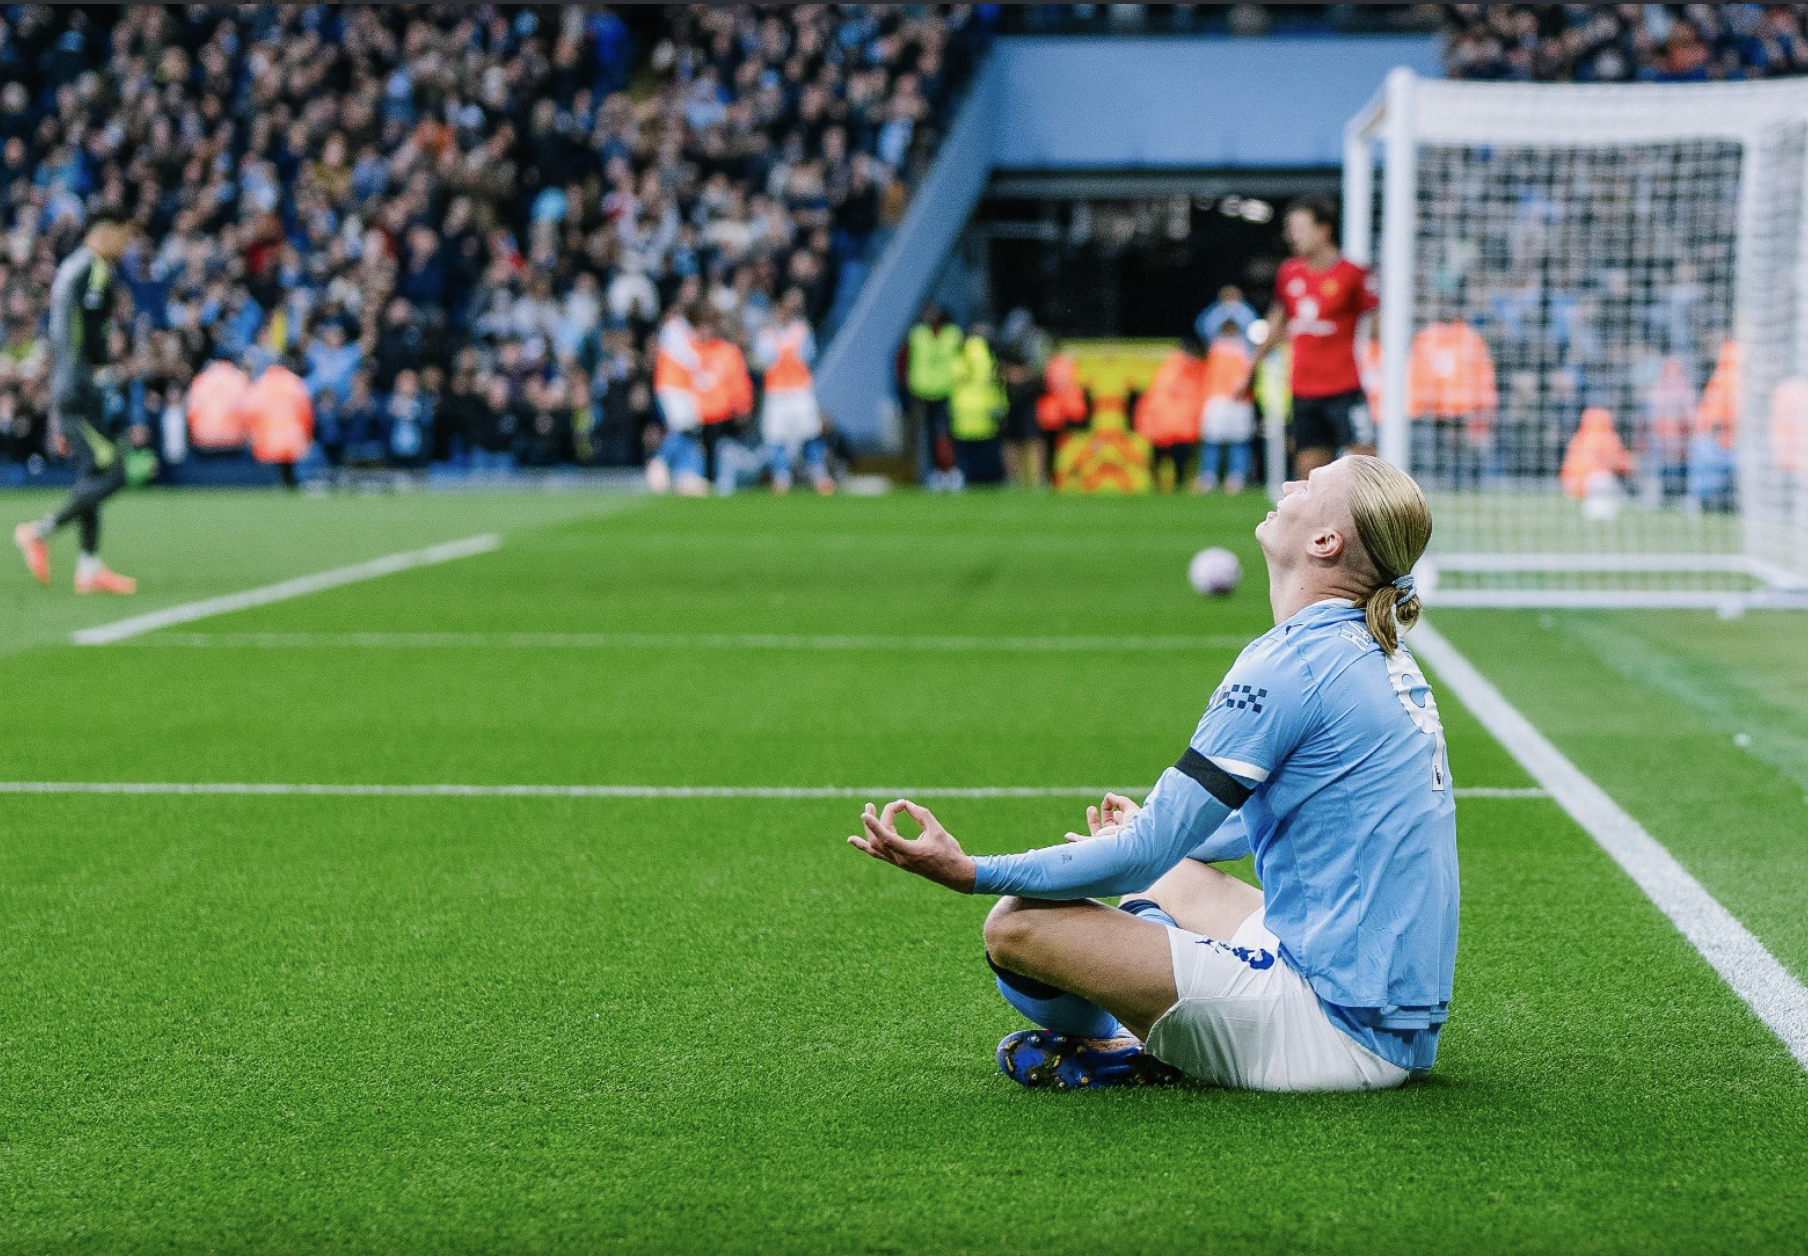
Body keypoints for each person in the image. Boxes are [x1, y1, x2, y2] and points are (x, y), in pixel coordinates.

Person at [846, 455, 1456, 1093]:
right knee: (1173, 872)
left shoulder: (1290, 664)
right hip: (1392, 1025)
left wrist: (969, 870)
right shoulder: (1375, 650)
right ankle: (1157, 1013)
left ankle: (1129, 1042)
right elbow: (1292, 825)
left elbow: (1141, 856)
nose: (1287, 486)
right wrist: (1151, 845)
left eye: (1310, 484)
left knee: (1015, 925)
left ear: (1325, 542)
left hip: (1330, 1033)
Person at [14, 217, 141, 594]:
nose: (125, 246)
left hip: (68, 384)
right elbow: (89, 332)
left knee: (91, 475)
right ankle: (39, 532)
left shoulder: (71, 267)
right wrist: (105, 366)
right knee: (114, 472)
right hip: (79, 388)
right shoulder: (95, 269)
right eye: (123, 236)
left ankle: (88, 568)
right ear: (104, 231)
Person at [1248, 197, 1378, 477]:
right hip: (1304, 389)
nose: (1291, 235)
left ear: (1323, 229)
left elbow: (1377, 320)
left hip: (1345, 388)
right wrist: (1250, 367)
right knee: (1308, 473)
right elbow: (1277, 321)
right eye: (1289, 228)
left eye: (1299, 227)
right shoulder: (1289, 273)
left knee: (1365, 467)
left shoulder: (1353, 274)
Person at [755, 289, 832, 495]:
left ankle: (820, 474)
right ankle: (781, 477)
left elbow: (807, 356)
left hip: (798, 390)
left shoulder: (801, 329)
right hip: (776, 392)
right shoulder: (766, 333)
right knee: (775, 435)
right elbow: (763, 359)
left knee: (810, 432)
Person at [1133, 336, 1206, 493]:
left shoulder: (1168, 366)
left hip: (1164, 422)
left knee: (1162, 456)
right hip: (1177, 423)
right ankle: (1175, 483)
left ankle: (1161, 485)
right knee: (1177, 456)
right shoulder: (1186, 368)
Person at [907, 305, 962, 490]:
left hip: (947, 391)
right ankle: (932, 473)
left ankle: (951, 471)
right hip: (922, 392)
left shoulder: (953, 334)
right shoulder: (918, 335)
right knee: (926, 435)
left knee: (947, 433)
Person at [1197, 317, 1255, 493]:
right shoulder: (1215, 347)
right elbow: (1203, 324)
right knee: (1211, 440)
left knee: (1239, 441)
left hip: (1240, 401)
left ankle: (1236, 477)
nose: (1230, 331)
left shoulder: (1247, 348)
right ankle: (1208, 476)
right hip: (1217, 398)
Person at [949, 323, 1005, 487]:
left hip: (964, 410)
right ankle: (988, 481)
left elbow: (955, 376)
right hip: (986, 409)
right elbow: (996, 382)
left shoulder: (961, 352)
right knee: (986, 454)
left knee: (967, 454)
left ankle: (969, 480)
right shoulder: (989, 354)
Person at [1033, 342, 1089, 490]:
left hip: (1055, 412)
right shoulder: (1070, 363)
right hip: (1069, 411)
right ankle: (1066, 477)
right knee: (1065, 447)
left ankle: (1050, 479)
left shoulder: (1052, 364)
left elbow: (1051, 386)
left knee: (1052, 448)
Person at [1193, 284, 1258, 346]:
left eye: (1232, 294)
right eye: (1227, 295)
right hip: (1219, 347)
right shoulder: (1215, 311)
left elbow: (1255, 331)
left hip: (1243, 349)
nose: (1230, 297)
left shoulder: (1247, 311)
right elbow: (1203, 328)